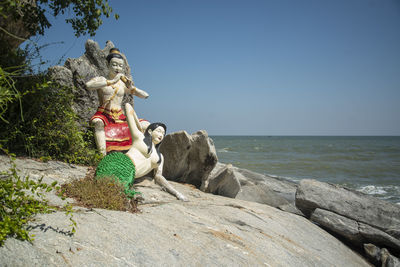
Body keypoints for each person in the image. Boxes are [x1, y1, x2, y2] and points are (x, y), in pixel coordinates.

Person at [96, 103, 188, 201]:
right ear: (150, 131)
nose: (161, 135)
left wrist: (176, 193)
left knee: (115, 191)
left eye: (163, 133)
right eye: (158, 131)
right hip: (121, 162)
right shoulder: (139, 138)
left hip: (130, 175)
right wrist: (139, 126)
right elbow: (128, 106)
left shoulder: (160, 157)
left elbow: (158, 177)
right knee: (112, 190)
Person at [86, 48, 149, 155]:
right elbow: (88, 85)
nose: (117, 68)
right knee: (98, 123)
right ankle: (102, 156)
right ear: (107, 64)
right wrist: (112, 81)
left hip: (120, 116)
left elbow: (145, 95)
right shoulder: (102, 79)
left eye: (120, 66)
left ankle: (146, 154)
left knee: (146, 125)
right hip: (104, 114)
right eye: (114, 64)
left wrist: (132, 87)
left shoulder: (123, 84)